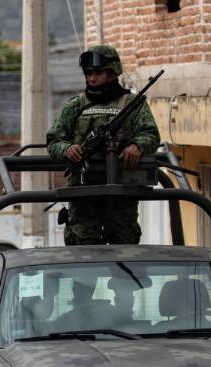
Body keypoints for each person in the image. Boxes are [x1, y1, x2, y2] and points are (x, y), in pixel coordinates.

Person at [46, 45, 161, 245]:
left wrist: (137, 146)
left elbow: (150, 134)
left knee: (124, 249)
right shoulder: (75, 106)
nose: (92, 78)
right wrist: (67, 149)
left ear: (112, 73)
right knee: (83, 250)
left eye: (97, 73)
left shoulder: (132, 104)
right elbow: (54, 140)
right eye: (88, 73)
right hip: (83, 193)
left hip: (121, 193)